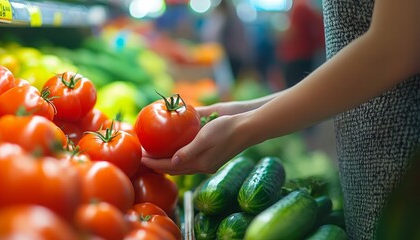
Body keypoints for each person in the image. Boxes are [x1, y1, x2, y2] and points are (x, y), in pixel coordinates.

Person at [142, 0, 420, 239]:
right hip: (367, 160)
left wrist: (245, 128)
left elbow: (396, 47)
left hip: (402, 163)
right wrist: (242, 111)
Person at [278, 0, 325, 88]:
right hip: (306, 56)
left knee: (294, 89)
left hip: (297, 58)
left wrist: (278, 33)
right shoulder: (306, 7)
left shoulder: (299, 7)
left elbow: (292, 33)